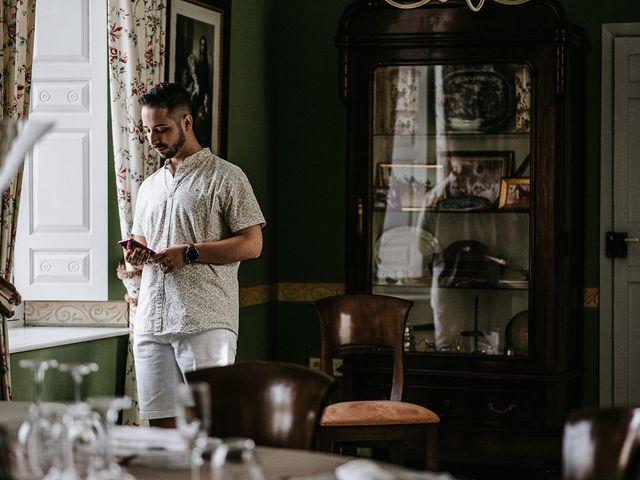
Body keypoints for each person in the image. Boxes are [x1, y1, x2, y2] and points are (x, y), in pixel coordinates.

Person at [123, 82, 265, 427]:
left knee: (211, 424)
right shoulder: (149, 187)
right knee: (160, 428)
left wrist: (188, 253)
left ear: (186, 123)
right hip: (151, 321)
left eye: (161, 129)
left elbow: (252, 244)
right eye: (147, 130)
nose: (154, 139)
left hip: (205, 320)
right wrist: (130, 264)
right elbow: (140, 243)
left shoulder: (227, 177)